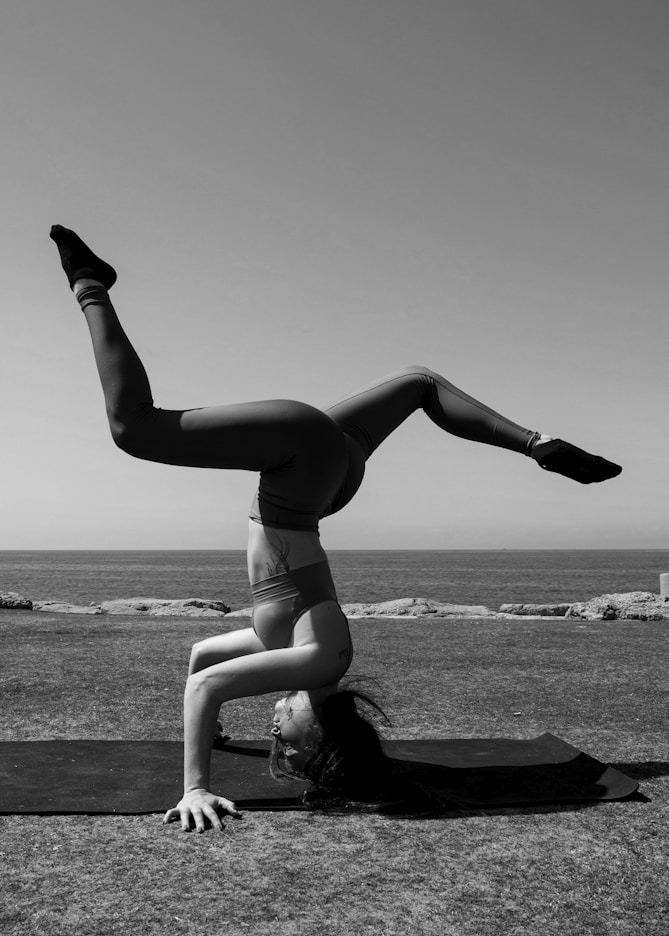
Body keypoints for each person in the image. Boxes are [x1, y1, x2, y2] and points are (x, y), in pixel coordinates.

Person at [50, 224, 622, 833]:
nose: (278, 739)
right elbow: (209, 687)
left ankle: (537, 445)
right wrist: (195, 787)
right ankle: (91, 286)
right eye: (295, 748)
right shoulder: (321, 662)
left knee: (417, 385)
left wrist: (211, 733)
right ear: (324, 733)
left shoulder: (294, 655)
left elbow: (202, 661)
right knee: (134, 430)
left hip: (328, 480)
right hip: (300, 471)